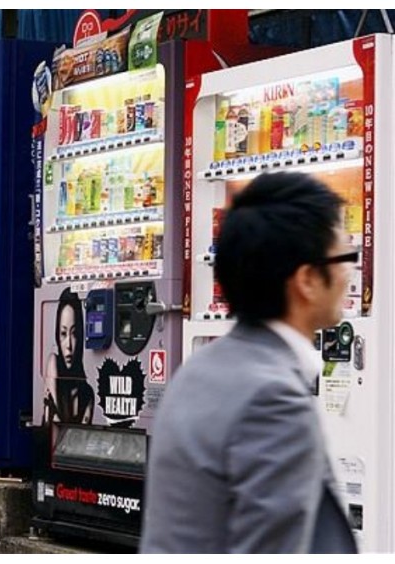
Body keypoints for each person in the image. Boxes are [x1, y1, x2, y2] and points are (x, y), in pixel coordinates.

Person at [141, 172, 358, 553]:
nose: (350, 271)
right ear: (307, 280)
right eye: (344, 257)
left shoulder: (197, 371)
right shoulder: (273, 399)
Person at [42, 288, 94, 424]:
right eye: (63, 334)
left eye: (74, 334)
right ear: (57, 336)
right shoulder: (53, 363)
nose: (69, 345)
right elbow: (54, 421)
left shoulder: (87, 394)